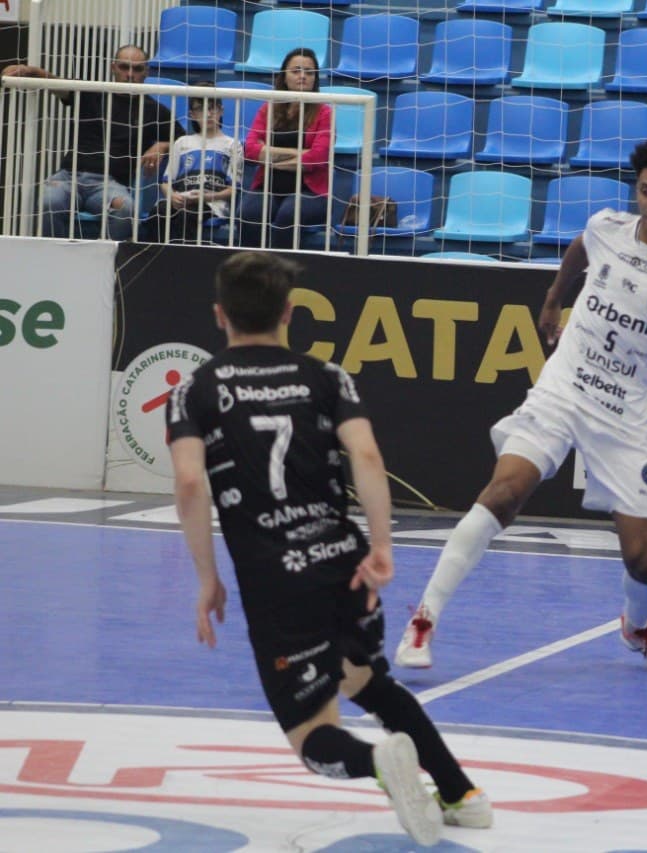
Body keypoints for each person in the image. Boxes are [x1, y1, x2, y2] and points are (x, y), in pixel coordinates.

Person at [394, 138, 647, 673]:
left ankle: (637, 627)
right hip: (561, 392)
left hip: (622, 423)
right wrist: (554, 298)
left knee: (644, 561)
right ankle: (424, 619)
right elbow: (579, 248)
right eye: (645, 191)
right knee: (503, 493)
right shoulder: (606, 228)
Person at [166, 252, 493, 846]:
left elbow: (191, 483)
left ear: (220, 315)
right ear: (289, 312)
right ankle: (461, 792)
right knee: (366, 679)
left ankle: (380, 765)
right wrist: (382, 546)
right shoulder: (327, 376)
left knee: (311, 737)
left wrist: (207, 578)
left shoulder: (195, 389)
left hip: (277, 579)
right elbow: (366, 458)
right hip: (344, 560)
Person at [1, 45, 174, 240]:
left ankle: (106, 264)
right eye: (124, 67)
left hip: (110, 185)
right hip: (69, 177)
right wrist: (29, 71)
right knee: (48, 202)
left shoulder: (153, 109)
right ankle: (54, 259)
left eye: (137, 69)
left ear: (147, 71)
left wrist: (162, 145)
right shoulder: (93, 91)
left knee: (127, 209)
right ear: (113, 67)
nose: (130, 74)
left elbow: (183, 139)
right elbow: (56, 84)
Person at [238, 47, 333, 249]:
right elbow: (251, 150)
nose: (302, 76)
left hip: (311, 191)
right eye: (296, 70)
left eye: (309, 72)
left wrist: (269, 155)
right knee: (248, 214)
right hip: (268, 186)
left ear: (316, 78)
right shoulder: (269, 108)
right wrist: (298, 154)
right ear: (284, 76)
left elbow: (316, 157)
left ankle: (282, 276)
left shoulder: (324, 112)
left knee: (287, 215)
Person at [145, 82, 242, 244]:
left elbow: (233, 189)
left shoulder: (232, 144)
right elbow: (165, 182)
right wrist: (172, 195)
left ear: (221, 110)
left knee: (187, 214)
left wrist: (208, 196)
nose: (208, 113)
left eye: (212, 107)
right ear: (191, 114)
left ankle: (183, 262)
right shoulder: (182, 142)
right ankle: (155, 259)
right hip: (181, 199)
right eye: (200, 109)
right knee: (159, 211)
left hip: (212, 204)